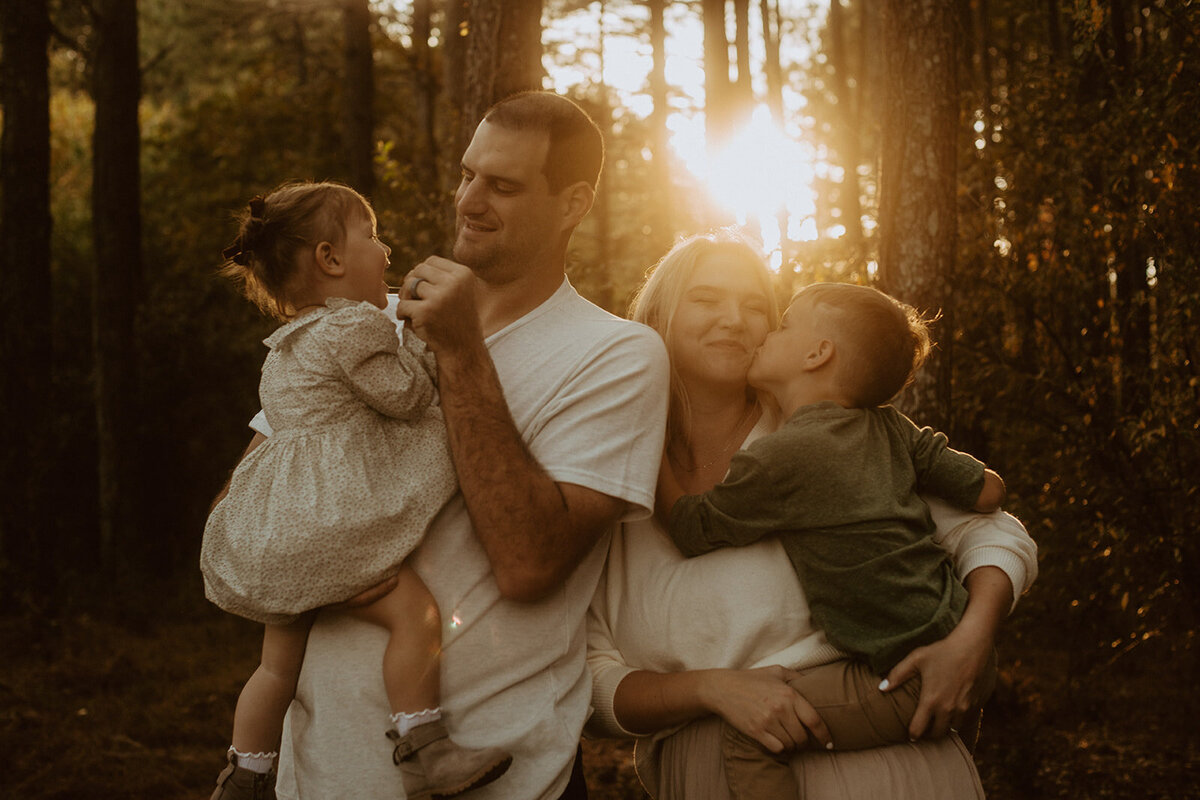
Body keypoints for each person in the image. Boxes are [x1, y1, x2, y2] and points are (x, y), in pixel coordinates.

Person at [219, 92, 669, 800]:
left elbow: (528, 564)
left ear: (573, 203)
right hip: (319, 775)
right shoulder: (361, 325)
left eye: (504, 185)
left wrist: (461, 354)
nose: (470, 201)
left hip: (500, 780)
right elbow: (255, 504)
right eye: (468, 175)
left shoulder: (616, 356)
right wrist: (327, 559)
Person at [586, 229, 1038, 799]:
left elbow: (992, 530)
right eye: (706, 299)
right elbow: (588, 679)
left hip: (892, 772)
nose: (734, 318)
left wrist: (971, 639)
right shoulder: (602, 472)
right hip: (711, 775)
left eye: (757, 307)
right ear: (658, 316)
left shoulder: (826, 432)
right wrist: (710, 689)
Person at [201, 181, 512, 800]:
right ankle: (426, 750)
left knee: (275, 667)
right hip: (331, 523)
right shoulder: (355, 329)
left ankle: (245, 774)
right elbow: (406, 398)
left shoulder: (289, 343)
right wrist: (427, 342)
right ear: (330, 260)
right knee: (417, 616)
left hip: (284, 525)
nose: (387, 250)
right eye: (371, 236)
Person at [660, 281, 1008, 798]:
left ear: (817, 354)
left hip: (904, 674)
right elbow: (986, 492)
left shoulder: (781, 458)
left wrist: (648, 452)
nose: (766, 335)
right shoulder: (891, 428)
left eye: (782, 326)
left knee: (752, 733)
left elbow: (693, 529)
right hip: (966, 646)